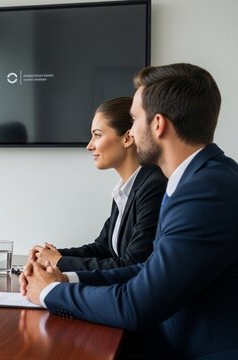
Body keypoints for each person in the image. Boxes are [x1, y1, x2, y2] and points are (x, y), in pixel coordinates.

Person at [21, 63, 238, 358]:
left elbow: (136, 305)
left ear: (158, 124)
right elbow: (148, 270)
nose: (132, 132)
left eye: (135, 119)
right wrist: (66, 279)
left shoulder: (205, 192)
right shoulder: (199, 178)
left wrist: (49, 293)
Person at [30, 97, 166, 271]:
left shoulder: (153, 187)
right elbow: (103, 248)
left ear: (127, 138)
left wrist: (59, 262)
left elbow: (131, 264)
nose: (89, 145)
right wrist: (51, 255)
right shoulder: (126, 188)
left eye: (97, 135)